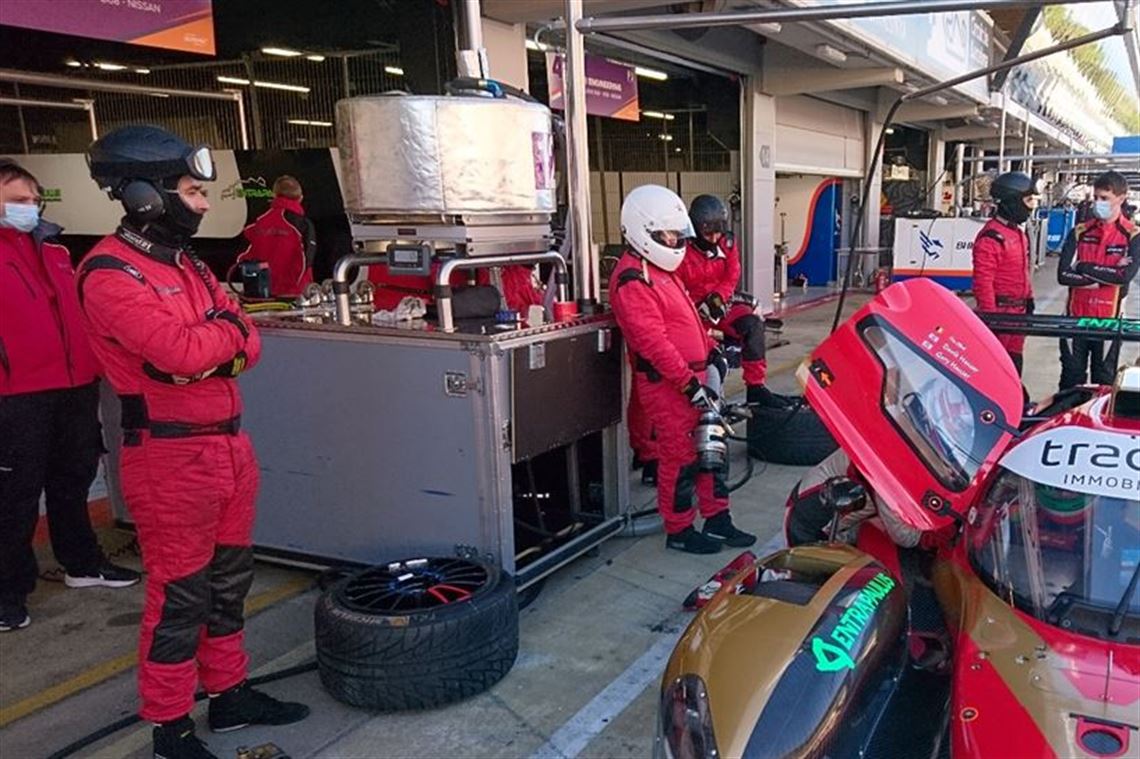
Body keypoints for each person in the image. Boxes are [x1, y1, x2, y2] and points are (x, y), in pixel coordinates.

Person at [79, 126, 308, 759]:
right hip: (169, 457)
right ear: (147, 196)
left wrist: (216, 343)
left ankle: (229, 695)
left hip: (229, 449)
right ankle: (171, 727)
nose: (203, 203)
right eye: (192, 189)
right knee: (180, 600)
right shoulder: (108, 273)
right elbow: (176, 352)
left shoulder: (187, 264)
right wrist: (217, 337)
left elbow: (245, 342)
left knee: (229, 585)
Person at [0, 159, 140, 632]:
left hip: (76, 384)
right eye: (18, 201)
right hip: (16, 393)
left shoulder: (55, 250)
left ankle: (81, 562)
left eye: (34, 200)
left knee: (73, 477)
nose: (30, 208)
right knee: (15, 493)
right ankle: (8, 591)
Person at [609, 184, 756, 555]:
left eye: (677, 235)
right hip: (668, 384)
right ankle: (679, 530)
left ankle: (717, 518)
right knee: (680, 455)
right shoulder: (633, 280)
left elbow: (688, 320)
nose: (676, 242)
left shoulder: (660, 270)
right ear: (644, 231)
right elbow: (653, 343)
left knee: (712, 447)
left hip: (694, 376)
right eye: (669, 235)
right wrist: (689, 384)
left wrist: (712, 352)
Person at [675, 194, 778, 406]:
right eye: (708, 233)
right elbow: (674, 288)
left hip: (720, 306)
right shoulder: (681, 251)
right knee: (708, 360)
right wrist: (696, 309)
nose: (714, 238)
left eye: (718, 231)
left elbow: (732, 274)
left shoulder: (727, 243)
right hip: (691, 314)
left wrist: (718, 298)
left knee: (754, 325)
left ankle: (756, 386)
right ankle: (707, 399)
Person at [1057, 170, 1140, 389]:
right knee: (1070, 379)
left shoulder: (1132, 235)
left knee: (1104, 381)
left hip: (1110, 320)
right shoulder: (1080, 231)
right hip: (1074, 318)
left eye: (1104, 198)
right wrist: (1106, 273)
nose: (1098, 203)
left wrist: (1083, 267)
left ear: (1121, 199)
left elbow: (1124, 276)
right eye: (1095, 197)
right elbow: (1063, 275)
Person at [971, 171, 1038, 376]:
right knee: (997, 370)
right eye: (1028, 200)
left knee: (1015, 365)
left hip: (1018, 314)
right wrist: (991, 318)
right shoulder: (992, 237)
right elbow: (983, 283)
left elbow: (1023, 272)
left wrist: (1029, 298)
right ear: (1011, 201)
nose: (1031, 206)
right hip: (1000, 314)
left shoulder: (1018, 232)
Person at [235, 175, 315, 297]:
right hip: (295, 295)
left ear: (274, 196)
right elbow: (307, 259)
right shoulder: (303, 224)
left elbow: (243, 258)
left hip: (263, 293)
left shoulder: (258, 223)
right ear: (300, 198)